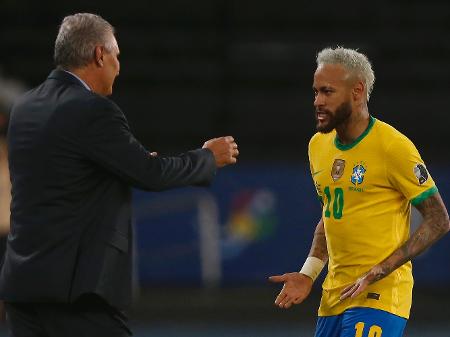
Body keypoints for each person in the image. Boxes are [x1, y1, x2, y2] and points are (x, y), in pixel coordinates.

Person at [0, 13, 239, 337]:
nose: (119, 66)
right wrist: (208, 158)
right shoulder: (93, 109)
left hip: (23, 287)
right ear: (99, 54)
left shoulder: (25, 107)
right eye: (116, 55)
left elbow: (64, 174)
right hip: (76, 293)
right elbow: (151, 174)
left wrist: (128, 164)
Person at [269, 47, 449, 337]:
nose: (318, 101)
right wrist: (308, 273)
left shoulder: (393, 147)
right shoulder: (318, 146)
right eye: (315, 92)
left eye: (327, 92)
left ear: (357, 91)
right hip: (334, 296)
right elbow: (331, 215)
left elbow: (439, 220)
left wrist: (380, 270)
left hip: (380, 295)